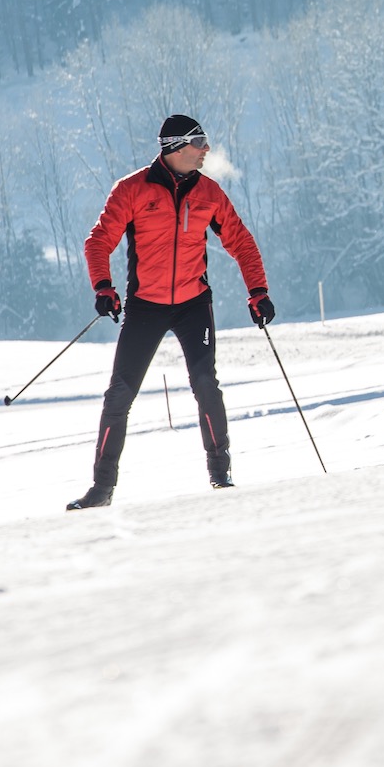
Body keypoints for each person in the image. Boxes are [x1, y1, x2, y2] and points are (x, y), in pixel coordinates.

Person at [67, 115, 277, 510]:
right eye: (201, 144)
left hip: (193, 305)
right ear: (177, 147)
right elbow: (98, 242)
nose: (207, 151)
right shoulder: (131, 190)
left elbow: (242, 243)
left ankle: (221, 475)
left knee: (205, 386)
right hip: (146, 306)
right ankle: (101, 490)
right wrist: (103, 287)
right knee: (118, 396)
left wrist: (258, 291)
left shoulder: (210, 194)